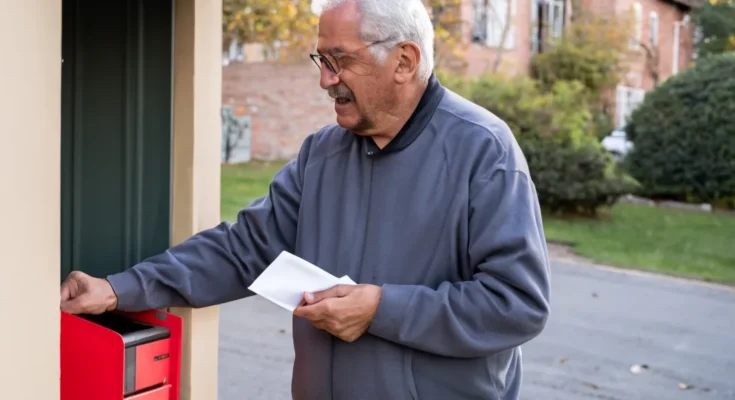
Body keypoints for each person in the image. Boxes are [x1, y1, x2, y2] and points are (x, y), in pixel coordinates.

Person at [59, 0, 551, 398]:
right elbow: (243, 250)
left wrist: (381, 309)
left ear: (404, 61)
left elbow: (516, 303)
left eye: (341, 60)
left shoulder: (483, 149)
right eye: (322, 59)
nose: (325, 79)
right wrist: (118, 289)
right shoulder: (323, 152)